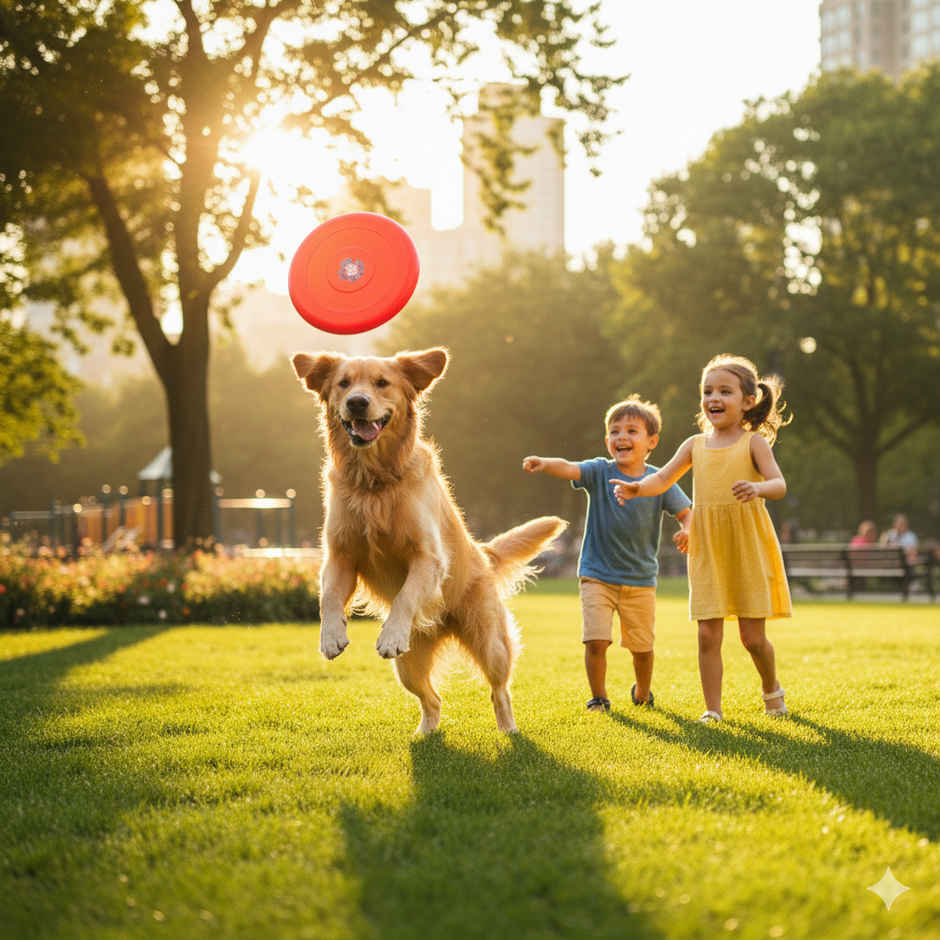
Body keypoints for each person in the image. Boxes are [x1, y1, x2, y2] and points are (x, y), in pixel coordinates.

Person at [611, 354, 791, 723]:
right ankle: (713, 709)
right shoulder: (695, 444)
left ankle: (772, 690)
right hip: (708, 546)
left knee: (752, 638)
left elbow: (779, 484)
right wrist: (637, 487)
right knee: (708, 634)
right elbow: (663, 479)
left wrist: (758, 489)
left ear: (748, 401)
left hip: (747, 545)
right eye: (708, 391)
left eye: (725, 391)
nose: (714, 398)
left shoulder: (753, 444)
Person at [523, 396, 691, 713]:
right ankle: (599, 698)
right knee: (596, 640)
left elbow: (687, 513)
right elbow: (570, 467)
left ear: (651, 441)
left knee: (642, 648)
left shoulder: (660, 480)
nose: (621, 437)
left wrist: (688, 530)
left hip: (640, 580)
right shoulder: (600, 471)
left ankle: (642, 692)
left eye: (631, 431)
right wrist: (545, 463)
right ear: (607, 440)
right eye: (615, 431)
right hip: (597, 574)